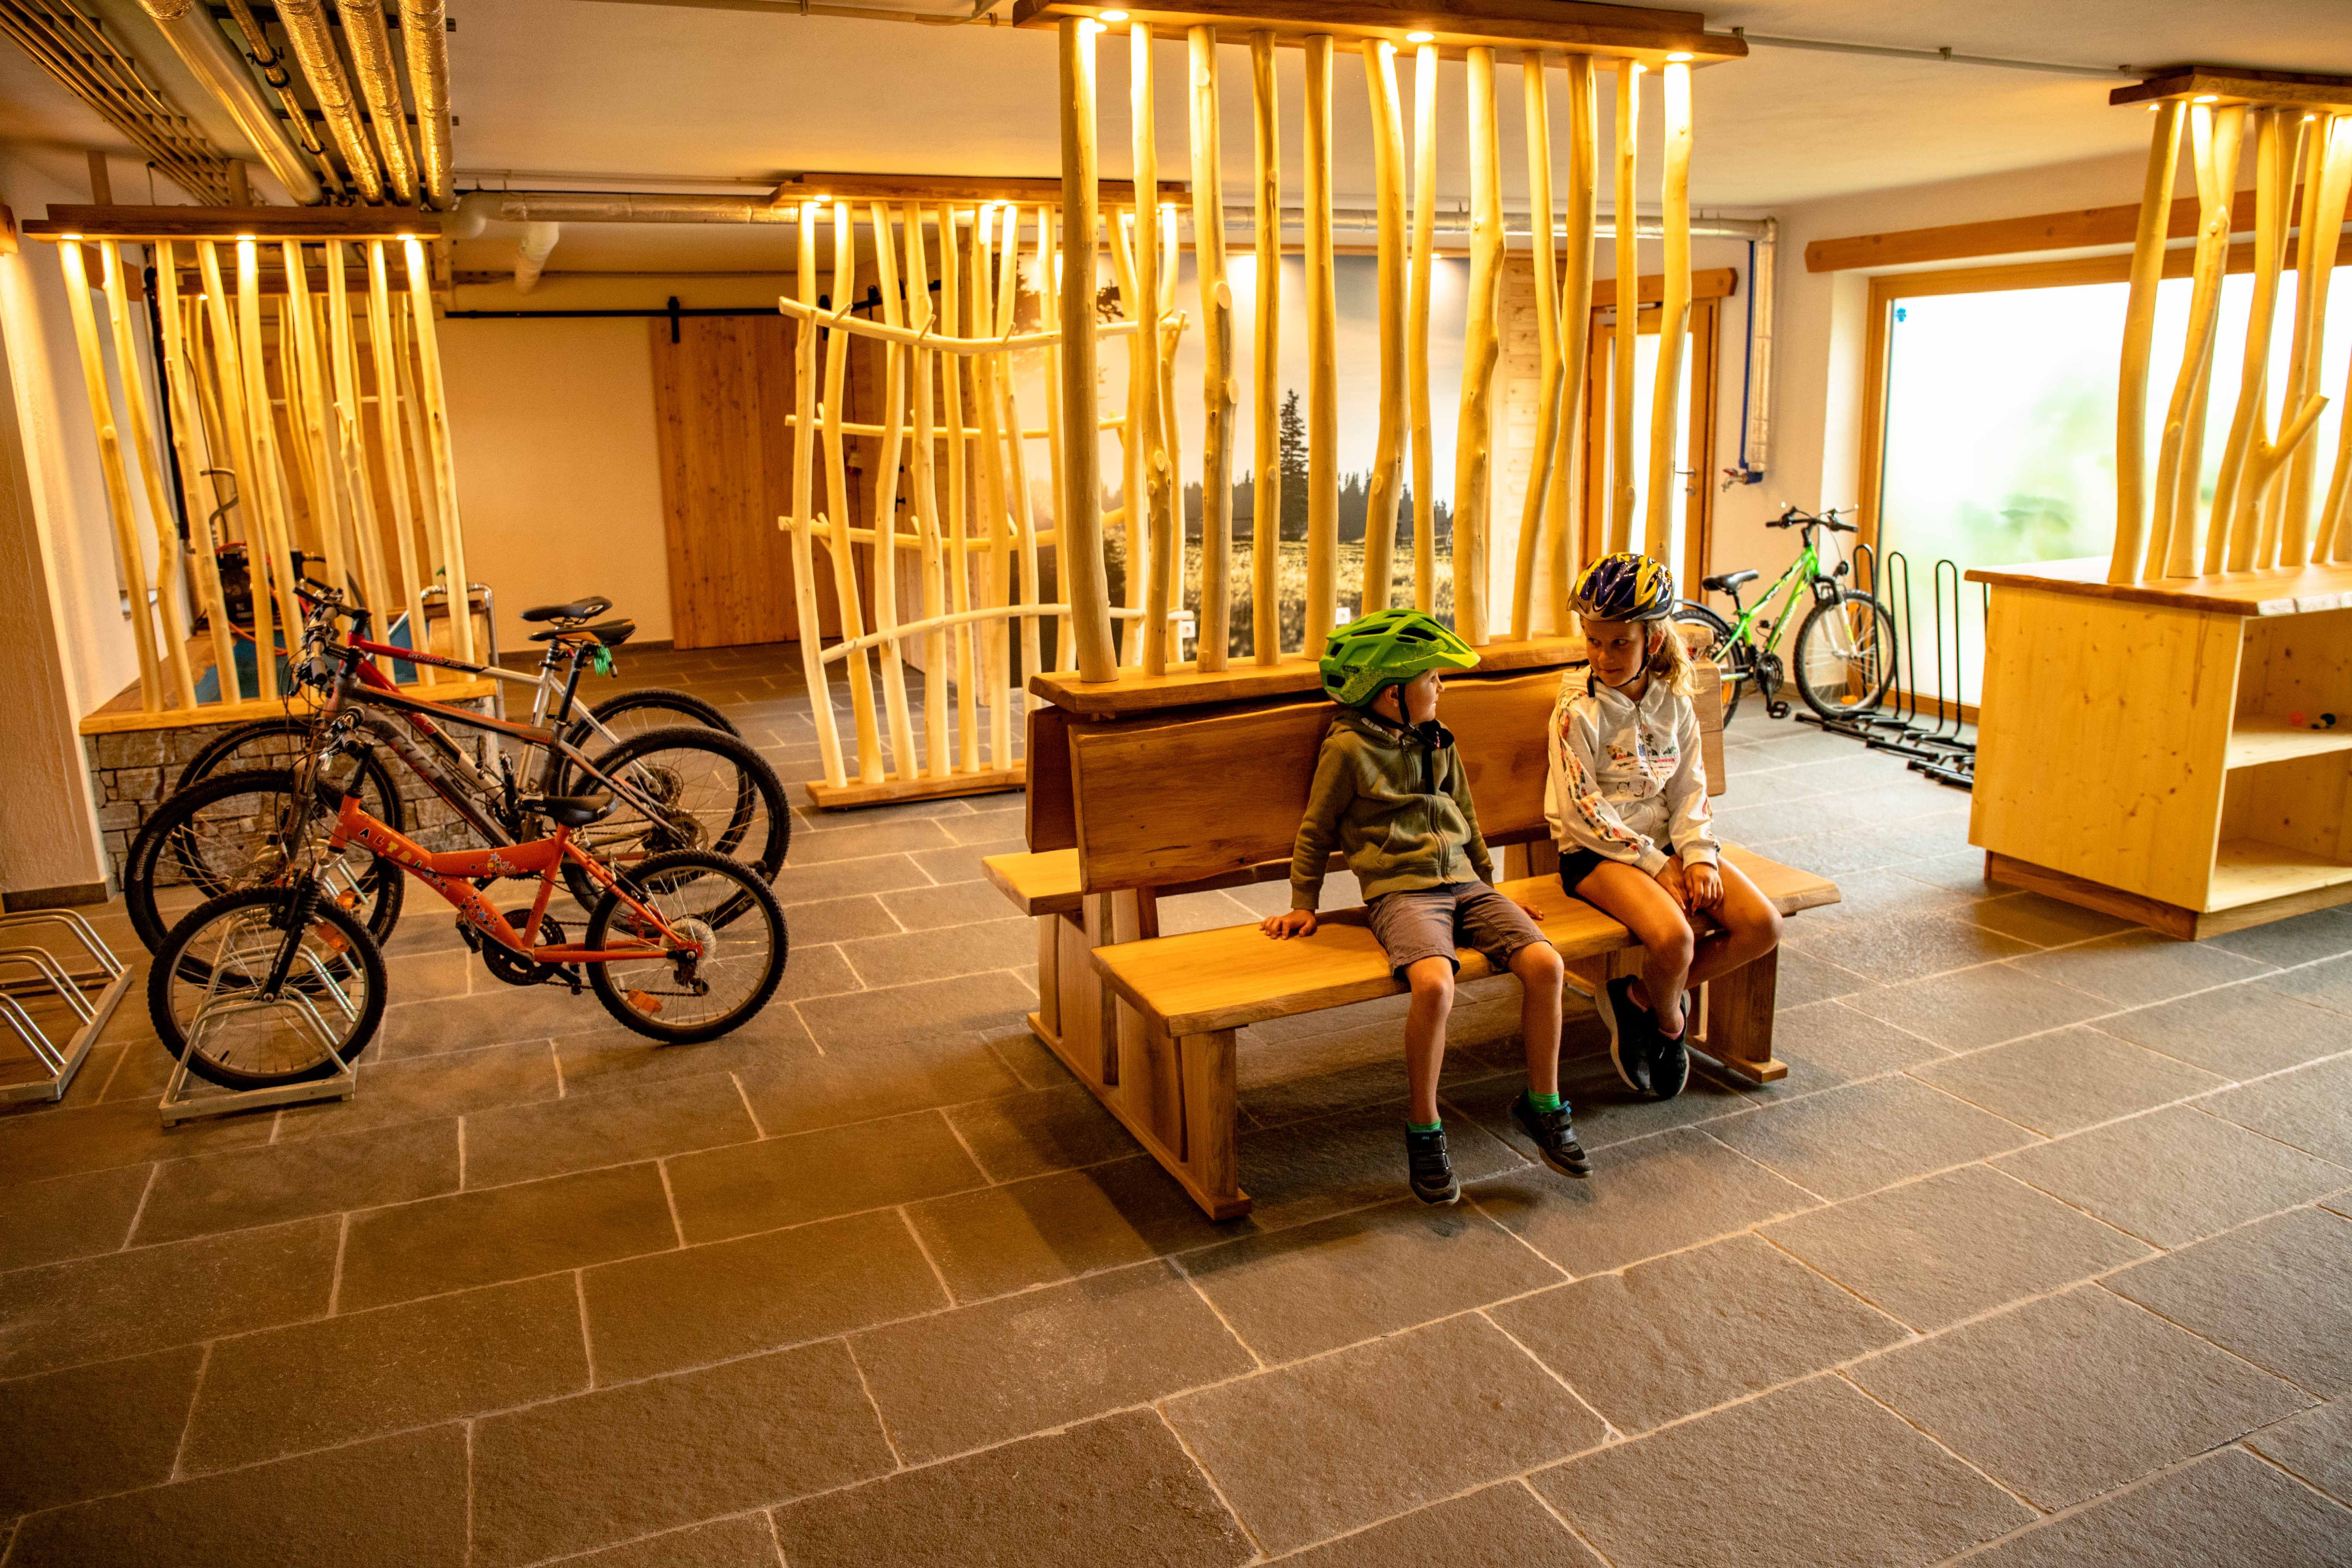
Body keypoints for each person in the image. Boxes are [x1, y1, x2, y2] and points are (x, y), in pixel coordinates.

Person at [1262, 608, 1582, 1205]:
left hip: (1465, 884)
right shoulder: (1348, 749)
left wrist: (1491, 883)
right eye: (1431, 678)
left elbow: (1468, 816)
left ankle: (1542, 1103)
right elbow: (1316, 828)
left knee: (1546, 964)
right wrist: (1303, 902)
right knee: (1434, 984)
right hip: (1401, 893)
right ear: (1391, 695)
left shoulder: (1440, 741)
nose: (1441, 687)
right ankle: (1424, 1127)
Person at [1548, 552, 1783, 1099]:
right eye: (1592, 640)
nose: (1603, 656)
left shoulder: (1674, 700)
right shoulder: (1574, 712)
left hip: (1667, 848)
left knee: (1761, 927)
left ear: (1651, 639)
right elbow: (1584, 813)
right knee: (1675, 938)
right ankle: (1671, 1025)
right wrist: (1658, 866)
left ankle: (1636, 1000)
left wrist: (1697, 854)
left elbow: (1688, 786)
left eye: (1618, 642)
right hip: (1597, 855)